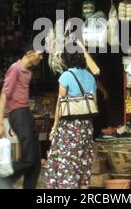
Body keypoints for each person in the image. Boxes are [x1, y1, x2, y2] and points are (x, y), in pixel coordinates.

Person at [45, 44, 97, 189]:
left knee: (68, 163)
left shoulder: (66, 76)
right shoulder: (90, 77)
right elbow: (94, 103)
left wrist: (55, 126)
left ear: (67, 58)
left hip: (70, 127)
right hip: (86, 126)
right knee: (83, 161)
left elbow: (59, 105)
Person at [0, 44, 43, 189]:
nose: (41, 58)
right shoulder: (15, 69)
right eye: (39, 55)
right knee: (28, 159)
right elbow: (3, 96)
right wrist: (0, 124)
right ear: (29, 53)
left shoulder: (27, 72)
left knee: (35, 162)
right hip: (18, 114)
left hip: (26, 113)